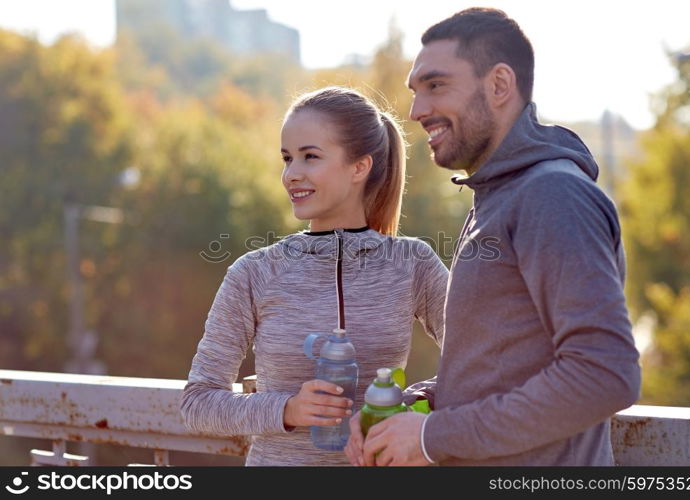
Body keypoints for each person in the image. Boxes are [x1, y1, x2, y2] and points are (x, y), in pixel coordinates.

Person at [345, 8, 641, 466]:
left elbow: (604, 373)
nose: (417, 111)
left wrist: (432, 437)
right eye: (415, 92)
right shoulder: (499, 195)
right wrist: (422, 405)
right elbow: (509, 369)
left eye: (436, 85)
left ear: (499, 85)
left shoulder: (551, 195)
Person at [180, 86, 448, 466]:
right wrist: (288, 409)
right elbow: (198, 403)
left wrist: (407, 402)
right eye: (288, 159)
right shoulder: (255, 272)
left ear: (359, 167)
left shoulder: (412, 263)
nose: (292, 174)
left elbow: (482, 364)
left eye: (310, 157)